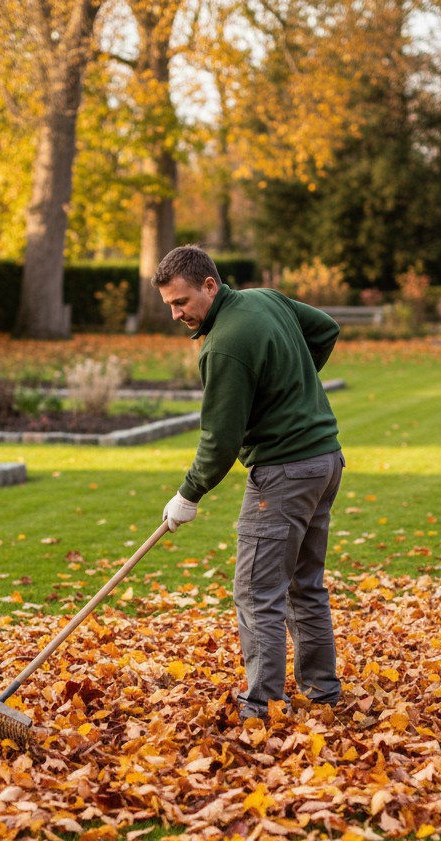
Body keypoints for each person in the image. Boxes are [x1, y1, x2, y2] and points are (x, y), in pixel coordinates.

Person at [153, 245, 345, 720]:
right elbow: (325, 329)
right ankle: (322, 692)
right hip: (324, 460)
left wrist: (188, 494)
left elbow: (220, 439)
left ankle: (261, 707)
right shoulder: (267, 299)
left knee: (258, 592)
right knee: (305, 584)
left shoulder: (224, 346)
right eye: (170, 306)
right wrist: (287, 387)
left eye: (182, 302)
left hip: (284, 473)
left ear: (210, 286)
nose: (177, 314)